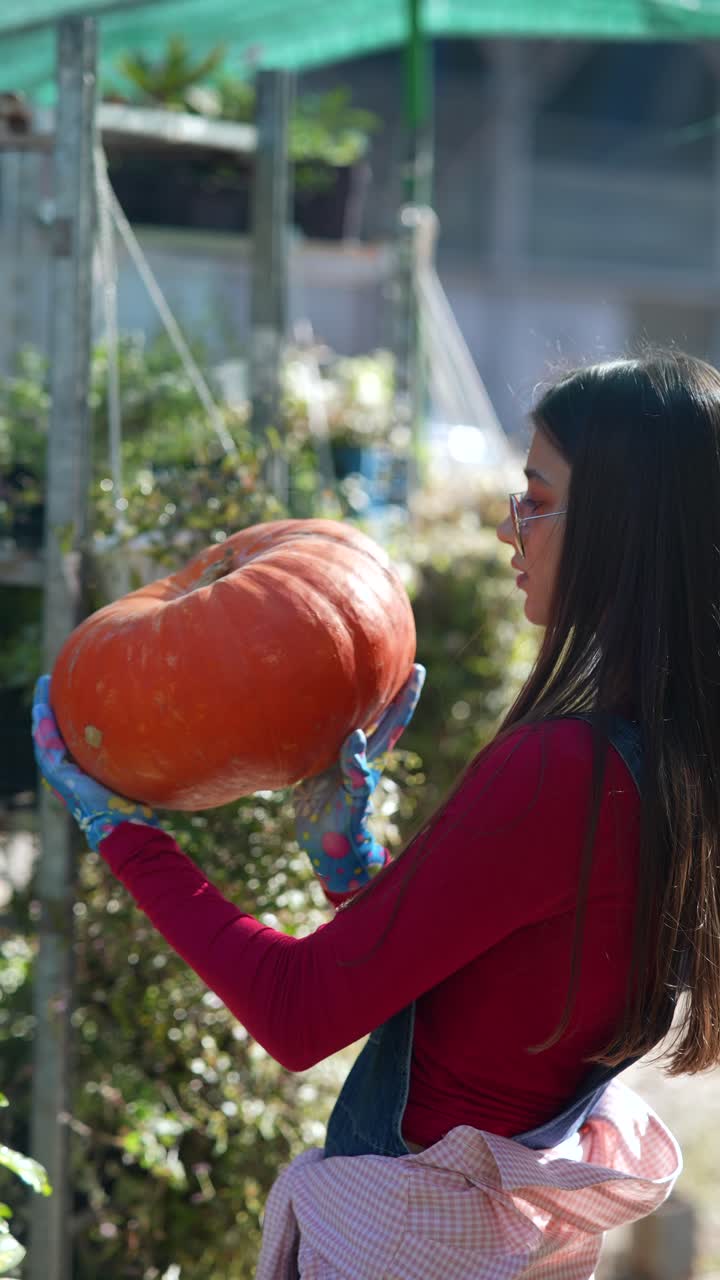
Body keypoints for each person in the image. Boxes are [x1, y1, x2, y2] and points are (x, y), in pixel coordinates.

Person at [35, 348, 720, 1278]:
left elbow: (299, 1012)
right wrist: (355, 867)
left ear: (624, 527)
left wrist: (121, 832)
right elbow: (495, 1005)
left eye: (539, 497)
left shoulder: (565, 770)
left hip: (403, 1248)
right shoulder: (672, 765)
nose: (511, 529)